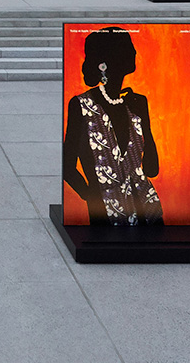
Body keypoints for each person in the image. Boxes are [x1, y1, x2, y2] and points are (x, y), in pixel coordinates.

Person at [61, 27, 162, 225]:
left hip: (149, 213)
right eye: (126, 48)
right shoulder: (81, 105)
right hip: (106, 216)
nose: (133, 52)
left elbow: (152, 169)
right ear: (104, 63)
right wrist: (91, 196)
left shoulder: (137, 103)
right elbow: (67, 166)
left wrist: (144, 122)